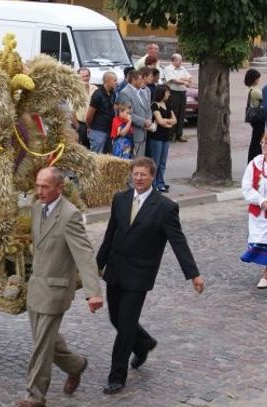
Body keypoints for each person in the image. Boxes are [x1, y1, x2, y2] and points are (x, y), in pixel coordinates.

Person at [96, 157, 205, 396]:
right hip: (115, 271)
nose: (138, 178)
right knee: (116, 319)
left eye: (143, 174)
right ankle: (144, 343)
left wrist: (193, 274)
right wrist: (97, 265)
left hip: (139, 275)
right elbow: (110, 234)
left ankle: (117, 377)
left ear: (152, 176)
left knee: (125, 327)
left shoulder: (165, 207)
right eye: (135, 174)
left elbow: (178, 242)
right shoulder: (120, 200)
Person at [16, 167, 103, 407]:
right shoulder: (36, 208)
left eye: (45, 186)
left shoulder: (70, 215)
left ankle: (34, 397)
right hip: (36, 288)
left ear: (60, 188)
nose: (40, 191)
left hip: (55, 291)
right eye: (38, 186)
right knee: (49, 342)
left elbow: (84, 254)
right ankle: (77, 365)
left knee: (42, 347)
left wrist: (93, 293)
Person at [240, 131, 267, 288]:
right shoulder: (255, 163)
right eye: (262, 143)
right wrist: (261, 200)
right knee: (262, 241)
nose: (263, 146)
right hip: (259, 213)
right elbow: (246, 187)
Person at [146, 85, 177, 192]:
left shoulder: (167, 105)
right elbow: (159, 121)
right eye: (167, 92)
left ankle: (160, 182)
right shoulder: (155, 105)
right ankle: (153, 184)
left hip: (165, 137)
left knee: (163, 162)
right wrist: (168, 122)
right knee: (155, 161)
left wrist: (166, 122)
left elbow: (175, 120)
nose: (169, 94)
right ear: (161, 93)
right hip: (156, 137)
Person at [116, 70, 152, 157]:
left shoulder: (141, 92)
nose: (142, 81)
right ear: (133, 80)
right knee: (133, 162)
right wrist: (144, 121)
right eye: (140, 79)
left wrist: (149, 119)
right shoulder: (125, 93)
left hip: (143, 133)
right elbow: (127, 113)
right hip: (133, 134)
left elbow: (148, 108)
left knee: (140, 160)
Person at [85, 71, 117, 154]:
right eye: (114, 80)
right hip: (98, 130)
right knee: (97, 156)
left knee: (107, 156)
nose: (116, 82)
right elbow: (89, 115)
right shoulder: (98, 94)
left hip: (109, 130)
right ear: (107, 80)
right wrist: (89, 127)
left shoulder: (112, 93)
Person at [164, 53, 192, 142]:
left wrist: (184, 80)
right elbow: (174, 80)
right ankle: (171, 134)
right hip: (173, 93)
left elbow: (189, 78)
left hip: (182, 93)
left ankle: (179, 134)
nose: (181, 62)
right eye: (179, 60)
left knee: (181, 114)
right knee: (173, 113)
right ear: (174, 61)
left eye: (181, 60)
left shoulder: (183, 68)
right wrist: (184, 81)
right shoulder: (168, 69)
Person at [244, 69, 266, 163]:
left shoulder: (250, 89)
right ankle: (255, 158)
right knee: (257, 140)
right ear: (254, 79)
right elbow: (266, 97)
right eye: (257, 78)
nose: (259, 80)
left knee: (255, 139)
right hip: (258, 118)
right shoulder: (255, 91)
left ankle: (253, 158)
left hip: (254, 118)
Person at [73, 67, 97, 149]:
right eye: (83, 76)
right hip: (81, 125)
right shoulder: (75, 92)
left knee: (93, 148)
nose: (86, 78)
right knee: (83, 148)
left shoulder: (95, 89)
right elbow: (71, 112)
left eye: (87, 76)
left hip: (94, 124)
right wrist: (78, 127)